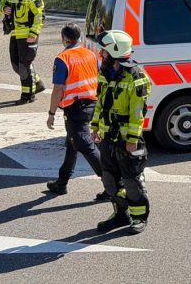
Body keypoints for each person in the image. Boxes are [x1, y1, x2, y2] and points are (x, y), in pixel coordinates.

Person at [92, 30, 152, 234]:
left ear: (115, 52)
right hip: (108, 137)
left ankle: (138, 217)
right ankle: (121, 214)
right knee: (109, 180)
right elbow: (100, 103)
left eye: (104, 51)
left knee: (131, 181)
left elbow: (138, 111)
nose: (102, 54)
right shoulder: (105, 73)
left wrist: (133, 138)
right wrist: (95, 127)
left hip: (127, 139)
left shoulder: (137, 76)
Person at [45, 23, 108, 201]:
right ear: (79, 38)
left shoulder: (63, 58)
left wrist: (51, 113)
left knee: (86, 146)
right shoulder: (91, 54)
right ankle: (62, 182)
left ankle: (113, 186)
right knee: (72, 144)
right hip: (92, 104)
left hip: (75, 109)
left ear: (64, 39)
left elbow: (58, 89)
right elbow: (99, 76)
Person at [0, 0, 46, 104]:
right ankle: (38, 83)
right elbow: (0, 5)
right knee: (15, 65)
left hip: (29, 34)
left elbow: (39, 14)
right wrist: (3, 9)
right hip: (15, 34)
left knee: (24, 65)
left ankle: (27, 96)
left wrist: (34, 33)